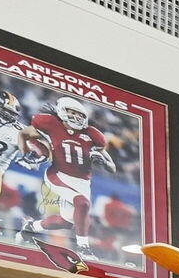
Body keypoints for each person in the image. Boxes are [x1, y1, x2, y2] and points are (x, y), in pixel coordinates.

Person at [21, 95, 116, 250]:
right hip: (58, 174)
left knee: (67, 221)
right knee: (82, 203)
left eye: (80, 114)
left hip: (83, 181)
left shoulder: (92, 135)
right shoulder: (52, 125)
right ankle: (83, 248)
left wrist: (103, 162)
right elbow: (25, 134)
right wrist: (28, 151)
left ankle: (32, 227)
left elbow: (112, 168)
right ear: (61, 111)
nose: (76, 117)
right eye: (72, 112)